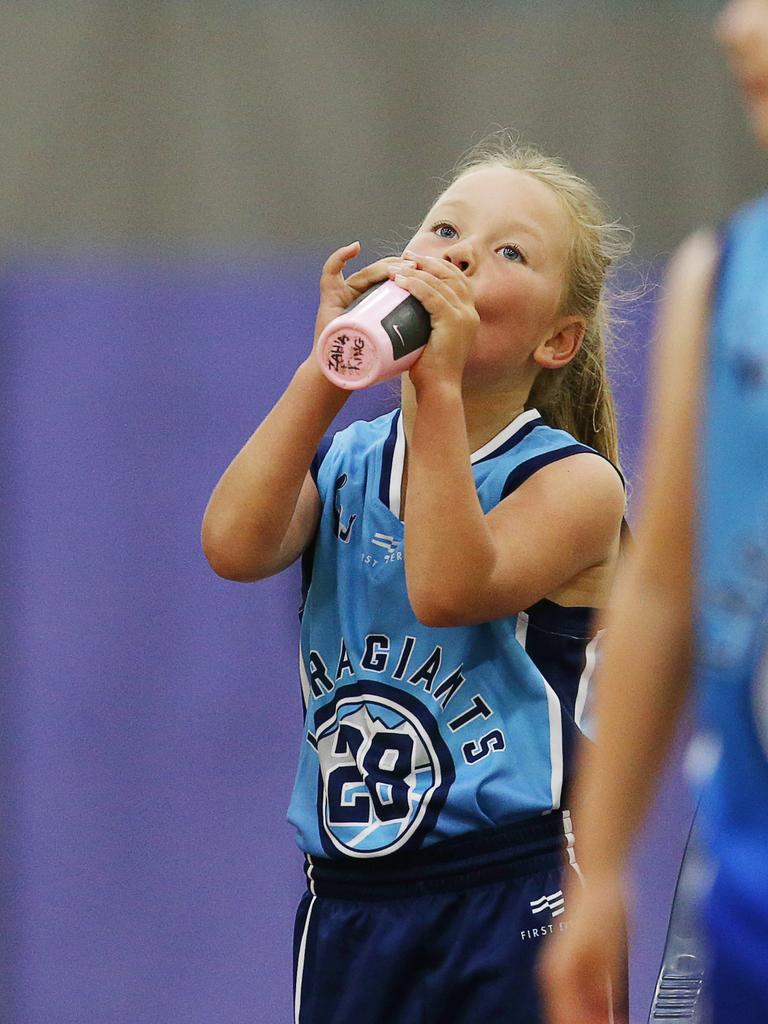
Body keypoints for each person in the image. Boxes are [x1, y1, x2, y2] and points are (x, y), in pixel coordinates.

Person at [201, 135, 629, 1024]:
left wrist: (433, 390)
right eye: (445, 231)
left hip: (511, 890)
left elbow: (447, 586)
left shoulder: (571, 482)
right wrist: (326, 372)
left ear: (558, 338)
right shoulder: (352, 459)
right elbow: (233, 544)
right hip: (352, 900)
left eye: (510, 252)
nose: (463, 255)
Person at [540, 3, 768, 1022]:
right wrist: (607, 863)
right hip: (749, 891)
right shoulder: (718, 281)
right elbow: (666, 584)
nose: (734, 27)